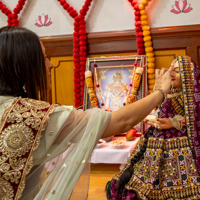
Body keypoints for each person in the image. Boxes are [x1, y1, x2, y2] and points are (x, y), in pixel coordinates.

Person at [0, 26, 172, 200]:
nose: (51, 64)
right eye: (44, 58)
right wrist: (159, 91)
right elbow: (120, 121)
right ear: (21, 66)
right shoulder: (36, 116)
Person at [106, 56, 200, 200]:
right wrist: (156, 120)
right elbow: (159, 113)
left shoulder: (194, 97)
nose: (171, 74)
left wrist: (176, 123)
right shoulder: (167, 94)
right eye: (171, 70)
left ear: (189, 75)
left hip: (183, 148)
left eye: (177, 71)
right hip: (156, 145)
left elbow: (196, 119)